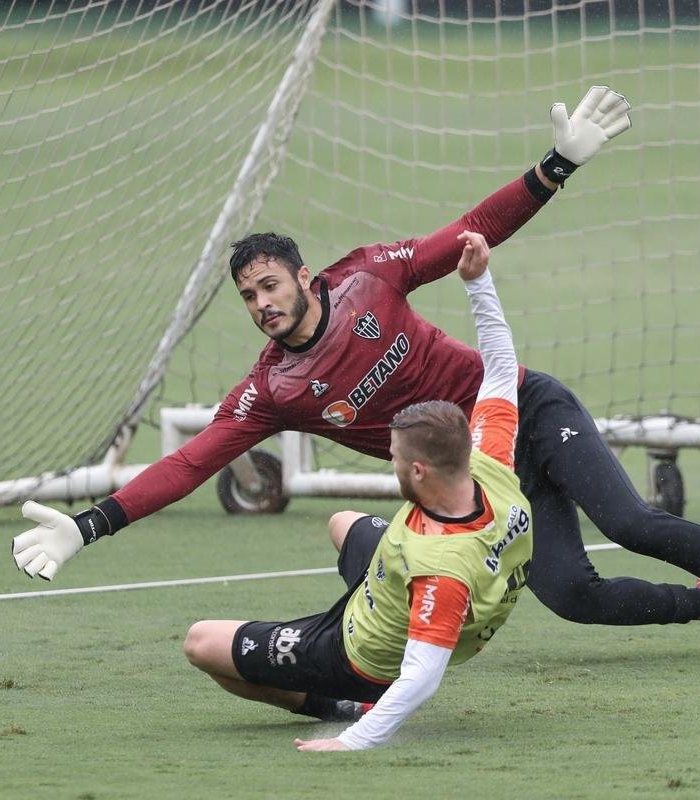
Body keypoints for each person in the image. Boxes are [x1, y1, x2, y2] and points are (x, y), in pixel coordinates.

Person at [11, 86, 700, 649]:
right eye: (248, 297)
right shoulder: (271, 391)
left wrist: (553, 166)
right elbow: (189, 464)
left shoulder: (370, 277)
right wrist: (89, 527)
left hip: (526, 413)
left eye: (269, 285)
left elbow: (469, 234)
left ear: (304, 276)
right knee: (572, 596)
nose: (262, 304)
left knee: (633, 524)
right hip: (483, 482)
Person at [183, 231, 528, 750]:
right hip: (437, 581)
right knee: (342, 522)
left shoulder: (442, 569)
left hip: (360, 650)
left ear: (418, 472)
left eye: (393, 456)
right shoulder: (490, 464)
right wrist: (478, 282)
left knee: (201, 642)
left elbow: (421, 678)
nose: (388, 462)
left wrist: (353, 740)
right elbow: (500, 372)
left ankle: (334, 700)